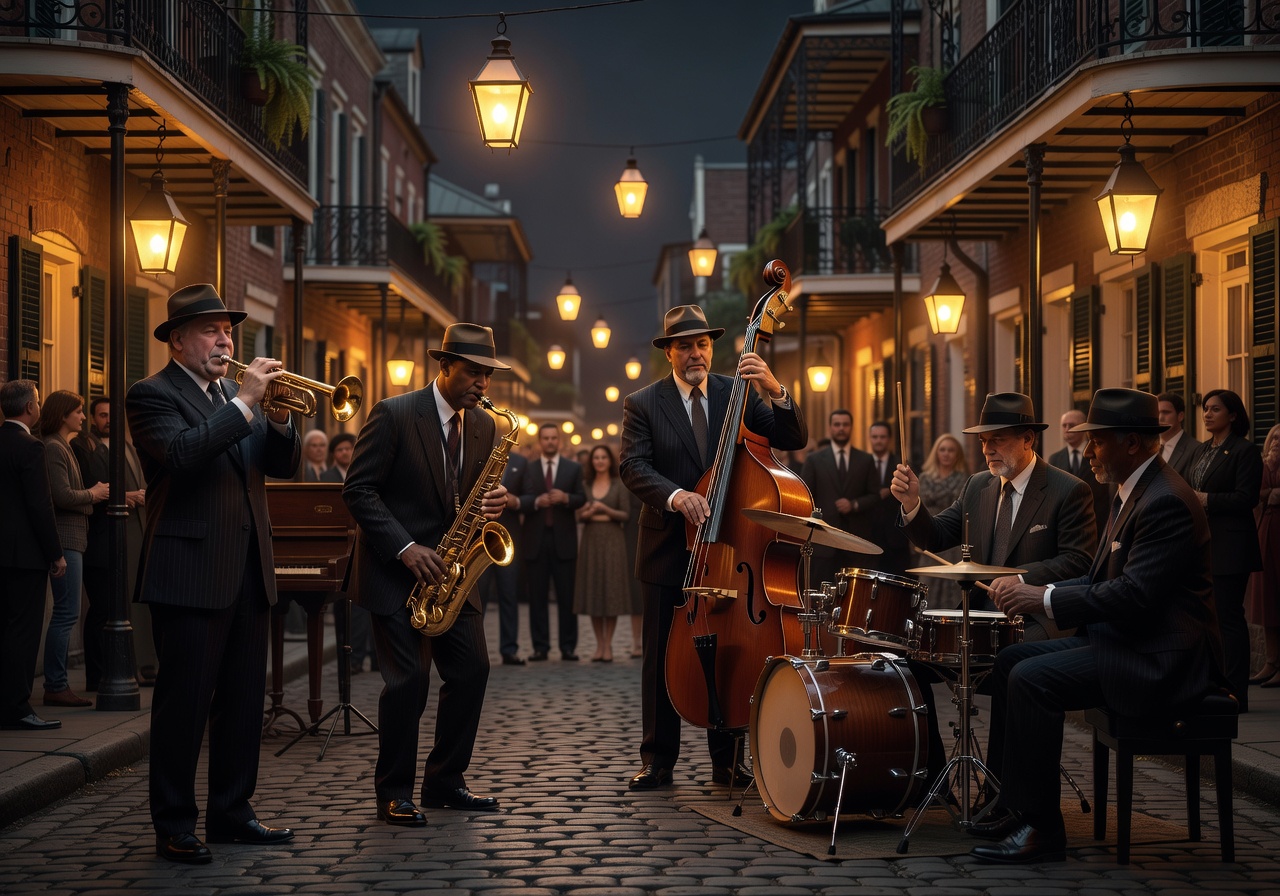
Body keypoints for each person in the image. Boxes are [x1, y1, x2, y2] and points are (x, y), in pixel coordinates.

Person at [972, 388, 1222, 865]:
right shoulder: (1132, 490)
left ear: (1132, 443)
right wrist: (1035, 596)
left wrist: (1041, 597)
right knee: (1010, 661)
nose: (1087, 451)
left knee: (1032, 678)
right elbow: (1099, 577)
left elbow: (1134, 595)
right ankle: (1011, 802)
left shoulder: (1165, 499)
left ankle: (1042, 829)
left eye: (1098, 441)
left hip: (1161, 658)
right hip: (1129, 641)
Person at [127, 283, 301, 864]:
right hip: (190, 570)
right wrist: (246, 405)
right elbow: (180, 456)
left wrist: (276, 417)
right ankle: (174, 822)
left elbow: (281, 467)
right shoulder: (151, 395)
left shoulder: (235, 396)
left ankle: (233, 811)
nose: (225, 339)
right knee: (185, 705)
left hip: (249, 570)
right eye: (210, 329)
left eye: (228, 330)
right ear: (177, 340)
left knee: (244, 702)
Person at [619, 304, 807, 790]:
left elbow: (792, 436)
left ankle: (729, 760)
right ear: (669, 352)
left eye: (702, 344)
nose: (695, 353)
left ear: (712, 347)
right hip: (667, 547)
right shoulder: (643, 402)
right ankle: (658, 759)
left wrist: (774, 387)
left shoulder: (738, 392)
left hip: (729, 549)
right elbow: (633, 467)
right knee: (661, 655)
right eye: (684, 345)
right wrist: (678, 496)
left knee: (730, 649)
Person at [343, 322, 510, 826]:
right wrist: (405, 547)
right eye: (473, 372)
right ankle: (393, 790)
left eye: (487, 374)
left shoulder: (484, 425)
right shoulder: (393, 414)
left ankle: (445, 781)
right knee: (409, 682)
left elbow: (467, 499)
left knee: (473, 672)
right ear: (444, 366)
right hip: (396, 574)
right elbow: (359, 491)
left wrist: (495, 505)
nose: (482, 383)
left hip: (454, 576)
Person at [890, 392, 1096, 792]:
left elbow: (1080, 562)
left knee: (1012, 665)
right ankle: (930, 781)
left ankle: (1000, 790)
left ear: (1027, 440)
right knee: (906, 657)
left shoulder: (1068, 490)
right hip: (980, 618)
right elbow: (935, 535)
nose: (987, 449)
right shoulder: (977, 487)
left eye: (997, 439)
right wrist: (912, 503)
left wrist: (1019, 578)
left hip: (1036, 621)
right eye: (983, 441)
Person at [1187, 388, 1261, 711]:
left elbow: (1247, 498)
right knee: (1207, 619)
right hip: (1202, 544)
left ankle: (1237, 693)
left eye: (1214, 409)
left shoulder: (1245, 451)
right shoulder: (1202, 450)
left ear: (1232, 415)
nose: (1207, 414)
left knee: (1229, 618)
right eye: (1205, 409)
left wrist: (1206, 500)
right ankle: (1213, 684)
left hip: (1231, 546)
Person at [73, 396, 152, 690]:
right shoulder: (86, 447)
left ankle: (131, 667)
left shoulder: (129, 447)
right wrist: (127, 497)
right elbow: (90, 488)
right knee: (102, 612)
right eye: (102, 415)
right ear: (95, 419)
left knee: (124, 608)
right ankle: (99, 676)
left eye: (112, 415)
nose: (107, 420)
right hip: (100, 542)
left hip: (129, 539)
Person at [0, 380, 66, 732]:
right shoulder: (31, 447)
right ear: (29, 408)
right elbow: (40, 506)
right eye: (38, 402)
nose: (39, 407)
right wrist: (55, 554)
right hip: (25, 556)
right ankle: (17, 707)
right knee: (23, 633)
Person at [39, 390, 108, 709]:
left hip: (73, 539)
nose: (83, 417)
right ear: (64, 414)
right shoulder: (54, 446)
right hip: (67, 539)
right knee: (66, 614)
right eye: (79, 411)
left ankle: (57, 682)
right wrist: (93, 494)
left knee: (68, 613)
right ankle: (56, 684)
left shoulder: (60, 445)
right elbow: (63, 496)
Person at [519, 423, 586, 662]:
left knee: (567, 596)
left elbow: (582, 498)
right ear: (539, 441)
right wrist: (536, 502)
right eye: (545, 438)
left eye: (553, 438)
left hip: (564, 540)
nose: (549, 442)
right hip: (535, 539)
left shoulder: (573, 468)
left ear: (559, 441)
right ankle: (541, 647)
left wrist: (566, 498)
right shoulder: (528, 468)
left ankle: (568, 647)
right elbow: (520, 500)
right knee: (536, 597)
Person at [799, 409, 880, 589]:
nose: (841, 428)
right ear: (830, 428)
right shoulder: (814, 460)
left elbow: (875, 496)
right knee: (821, 595)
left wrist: (854, 504)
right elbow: (805, 495)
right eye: (837, 425)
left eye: (845, 425)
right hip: (823, 542)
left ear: (851, 427)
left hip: (855, 543)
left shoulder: (866, 460)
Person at [574, 444, 631, 662]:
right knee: (594, 593)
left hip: (613, 542)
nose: (599, 461)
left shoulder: (619, 484)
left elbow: (625, 515)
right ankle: (598, 645)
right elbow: (579, 516)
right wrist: (589, 512)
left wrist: (604, 510)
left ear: (610, 461)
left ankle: (609, 645)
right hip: (591, 542)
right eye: (595, 457)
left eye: (603, 457)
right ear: (591, 461)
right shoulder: (585, 485)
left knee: (612, 592)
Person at [482, 446, 528, 665]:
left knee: (509, 596)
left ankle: (509, 649)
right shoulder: (479, 455)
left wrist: (514, 500)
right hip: (479, 538)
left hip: (508, 538)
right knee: (477, 598)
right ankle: (474, 650)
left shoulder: (522, 461)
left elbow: (530, 498)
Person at [912, 432, 970, 608]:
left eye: (951, 450)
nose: (946, 454)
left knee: (952, 592)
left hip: (953, 544)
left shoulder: (965, 479)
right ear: (936, 453)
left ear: (957, 454)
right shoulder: (924, 478)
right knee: (927, 588)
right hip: (930, 541)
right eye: (942, 449)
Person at [1248, 424, 1280, 688]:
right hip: (1265, 534)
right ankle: (1271, 661)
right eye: (1274, 437)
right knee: (1267, 597)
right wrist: (1270, 494)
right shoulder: (1261, 465)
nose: (1277, 442)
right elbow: (1253, 495)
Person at [1049, 408, 1111, 533]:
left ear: (1083, 427)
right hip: (1066, 526)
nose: (1067, 429)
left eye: (1071, 425)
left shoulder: (1098, 455)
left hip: (1097, 523)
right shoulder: (1055, 459)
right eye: (1064, 425)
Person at [865, 420, 911, 576]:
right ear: (870, 439)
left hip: (896, 538)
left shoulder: (901, 464)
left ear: (889, 439)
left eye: (882, 437)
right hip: (868, 536)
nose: (878, 440)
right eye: (875, 437)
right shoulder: (861, 463)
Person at [1158, 391, 1201, 480]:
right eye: (1157, 413)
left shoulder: (1196, 449)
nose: (1160, 418)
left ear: (1180, 416)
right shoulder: (1147, 447)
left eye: (1166, 412)